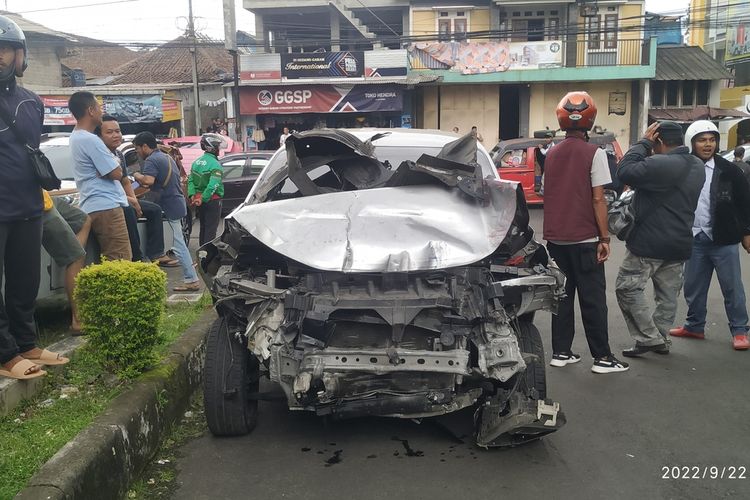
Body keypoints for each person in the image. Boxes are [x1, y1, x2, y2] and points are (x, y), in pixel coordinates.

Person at [0, 15, 68, 380]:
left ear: (20, 55)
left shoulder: (32, 102)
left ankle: (26, 343)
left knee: (24, 281)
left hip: (28, 205)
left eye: (6, 49)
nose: (0, 56)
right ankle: (4, 354)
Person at [542, 91, 629, 374]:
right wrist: (605, 238)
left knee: (562, 297)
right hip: (585, 239)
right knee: (592, 299)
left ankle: (561, 352)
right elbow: (598, 199)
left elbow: (549, 194)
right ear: (590, 120)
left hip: (555, 239)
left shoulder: (551, 153)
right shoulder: (595, 154)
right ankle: (602, 358)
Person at [615, 121, 705, 357]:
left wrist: (643, 142)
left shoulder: (659, 163)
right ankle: (661, 339)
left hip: (648, 243)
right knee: (667, 297)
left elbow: (623, 170)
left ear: (660, 141)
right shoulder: (697, 165)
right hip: (679, 243)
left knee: (627, 288)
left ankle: (649, 338)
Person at [670, 121, 750, 350]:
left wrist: (746, 232)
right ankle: (694, 326)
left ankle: (740, 330)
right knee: (693, 286)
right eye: (702, 140)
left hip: (723, 238)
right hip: (694, 238)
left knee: (732, 287)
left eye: (712, 140)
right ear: (692, 142)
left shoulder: (729, 170)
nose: (708, 144)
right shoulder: (682, 168)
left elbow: (745, 203)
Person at [95, 115, 175, 266]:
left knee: (154, 210)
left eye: (117, 131)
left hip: (123, 197)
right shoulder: (99, 154)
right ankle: (136, 258)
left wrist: (135, 200)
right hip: (109, 201)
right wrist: (131, 202)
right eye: (109, 132)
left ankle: (156, 254)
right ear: (99, 136)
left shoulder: (119, 154)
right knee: (128, 211)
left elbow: (125, 180)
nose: (115, 135)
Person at [132, 132, 201, 293]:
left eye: (137, 149)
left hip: (170, 206)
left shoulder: (151, 160)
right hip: (177, 203)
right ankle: (191, 278)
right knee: (179, 243)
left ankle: (191, 279)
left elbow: (148, 181)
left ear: (144, 146)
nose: (137, 153)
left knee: (178, 245)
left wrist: (135, 175)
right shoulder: (166, 157)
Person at [68, 91, 131, 261]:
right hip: (107, 205)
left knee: (108, 260)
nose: (101, 111)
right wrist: (113, 164)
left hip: (93, 203)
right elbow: (117, 173)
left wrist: (109, 167)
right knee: (120, 260)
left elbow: (111, 172)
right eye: (99, 107)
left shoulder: (75, 137)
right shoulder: (91, 140)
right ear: (91, 110)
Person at [41, 192, 91, 333]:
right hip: (33, 201)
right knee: (76, 256)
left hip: (46, 196)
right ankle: (78, 320)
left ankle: (70, 255)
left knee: (83, 219)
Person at [188, 135, 225, 246]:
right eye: (218, 146)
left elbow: (190, 181)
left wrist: (193, 196)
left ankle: (201, 255)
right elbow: (213, 185)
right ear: (212, 148)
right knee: (210, 230)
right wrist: (204, 198)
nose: (219, 149)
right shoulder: (215, 164)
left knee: (203, 229)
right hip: (212, 201)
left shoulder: (196, 162)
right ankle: (207, 258)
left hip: (198, 200)